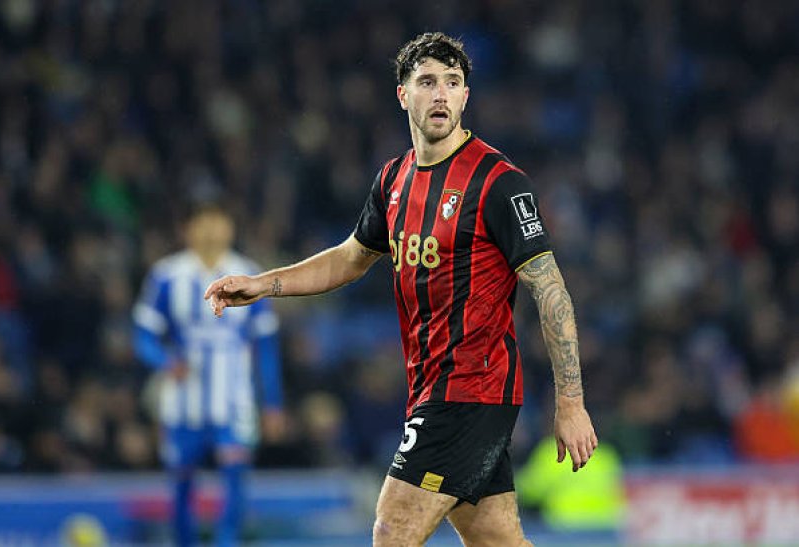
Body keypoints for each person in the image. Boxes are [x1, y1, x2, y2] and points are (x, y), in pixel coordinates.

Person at [205, 32, 597, 547]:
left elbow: (551, 291)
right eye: (427, 82)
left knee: (392, 529)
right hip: (431, 388)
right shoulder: (394, 179)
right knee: (496, 539)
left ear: (465, 96)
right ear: (402, 94)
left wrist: (571, 402)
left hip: (470, 391)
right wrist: (264, 284)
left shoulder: (498, 182)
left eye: (452, 83)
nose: (441, 94)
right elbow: (350, 258)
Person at [133, 202, 285, 546]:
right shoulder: (166, 275)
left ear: (230, 227)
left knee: (236, 480)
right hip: (182, 402)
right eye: (202, 222)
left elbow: (266, 346)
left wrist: (273, 404)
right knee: (181, 485)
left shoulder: (249, 274)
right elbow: (143, 336)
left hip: (234, 402)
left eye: (218, 221)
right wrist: (165, 361)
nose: (211, 230)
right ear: (187, 229)